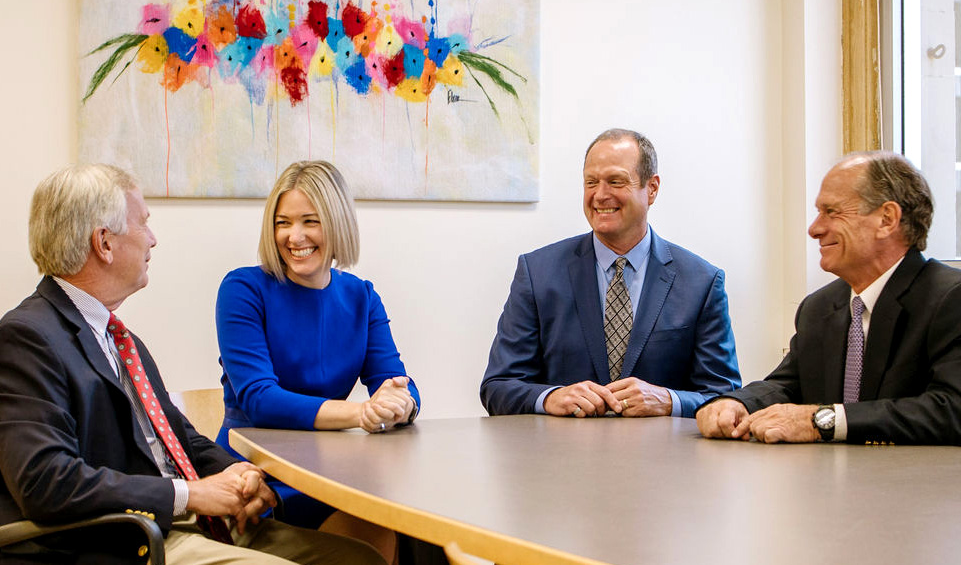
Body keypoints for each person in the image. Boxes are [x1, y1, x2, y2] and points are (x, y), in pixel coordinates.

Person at [0, 164, 386, 565]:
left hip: (186, 523)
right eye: (143, 224)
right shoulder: (28, 337)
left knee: (361, 559)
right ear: (104, 243)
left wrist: (236, 474)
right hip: (121, 538)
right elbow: (45, 481)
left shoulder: (119, 338)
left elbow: (178, 437)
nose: (153, 239)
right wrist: (190, 494)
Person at [214, 161, 419, 562]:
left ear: (337, 223)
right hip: (255, 477)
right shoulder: (242, 288)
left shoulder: (362, 296)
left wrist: (402, 403)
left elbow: (395, 380)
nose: (294, 236)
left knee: (416, 525)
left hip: (331, 477)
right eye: (282, 222)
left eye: (311, 221)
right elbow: (260, 399)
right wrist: (362, 412)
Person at [696, 151, 961, 444]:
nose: (814, 229)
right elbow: (788, 385)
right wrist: (736, 403)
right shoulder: (819, 307)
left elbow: (952, 409)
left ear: (887, 219)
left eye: (831, 212)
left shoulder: (950, 298)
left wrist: (821, 421)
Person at [480, 128, 741, 418]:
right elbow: (497, 387)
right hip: (560, 458)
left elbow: (725, 396)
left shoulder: (702, 282)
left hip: (665, 460)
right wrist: (549, 397)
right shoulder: (538, 273)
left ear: (652, 188)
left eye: (615, 181)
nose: (600, 195)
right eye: (591, 182)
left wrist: (668, 400)